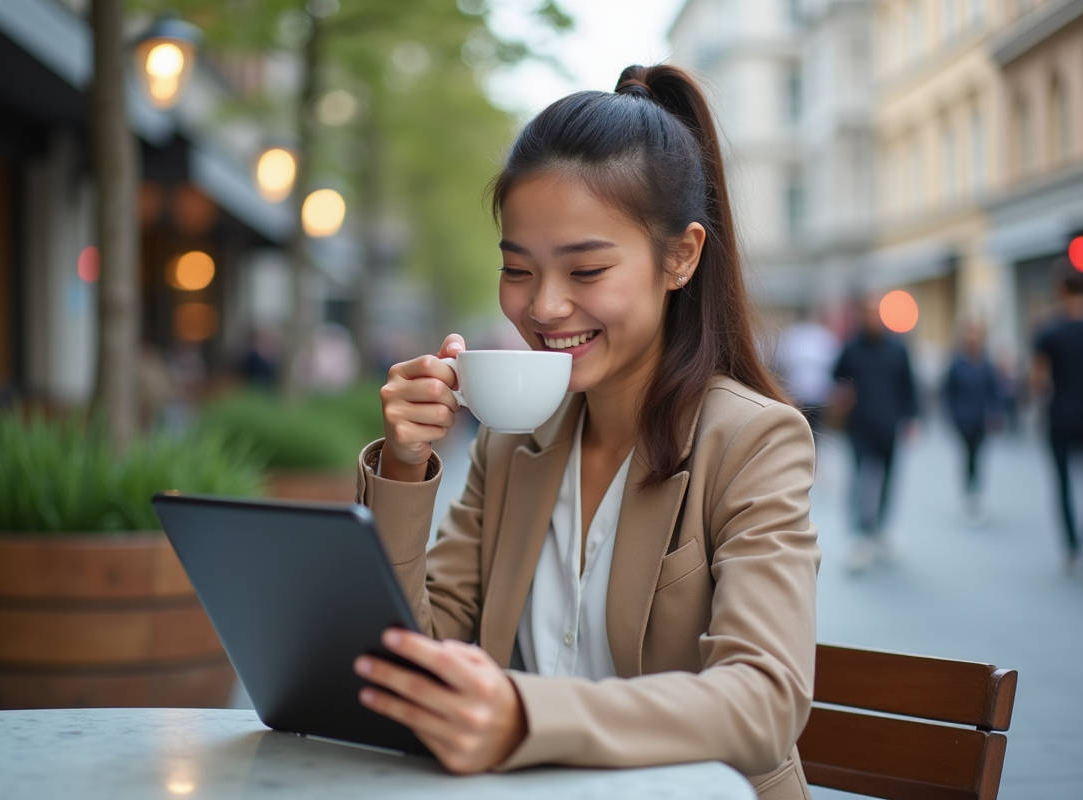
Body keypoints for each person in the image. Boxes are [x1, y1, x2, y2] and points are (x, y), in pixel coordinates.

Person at [351, 66, 820, 799]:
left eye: (587, 269)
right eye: (518, 269)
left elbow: (765, 699)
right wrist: (407, 466)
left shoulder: (753, 442)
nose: (543, 307)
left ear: (681, 257)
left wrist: (526, 716)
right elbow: (413, 654)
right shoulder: (512, 444)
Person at [832, 297, 918, 572]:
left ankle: (880, 529)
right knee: (858, 481)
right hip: (859, 427)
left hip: (889, 426)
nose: (871, 317)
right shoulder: (851, 348)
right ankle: (858, 535)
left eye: (874, 312)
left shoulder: (897, 349)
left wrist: (912, 420)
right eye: (866, 312)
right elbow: (837, 378)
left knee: (888, 480)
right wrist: (843, 394)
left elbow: (909, 387)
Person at [1031, 259, 1083, 574]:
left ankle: (1072, 550)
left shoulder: (1048, 330)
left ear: (1060, 288)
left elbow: (1037, 382)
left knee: (1063, 484)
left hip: (1060, 416)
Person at [942, 322, 1001, 526]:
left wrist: (996, 413)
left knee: (978, 456)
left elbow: (994, 391)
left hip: (981, 419)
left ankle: (977, 494)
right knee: (967, 456)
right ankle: (969, 494)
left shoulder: (986, 363)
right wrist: (953, 416)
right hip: (963, 420)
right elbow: (948, 394)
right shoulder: (957, 364)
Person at [776, 310, 841, 435]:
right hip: (810, 394)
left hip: (805, 393)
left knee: (801, 431)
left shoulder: (794, 334)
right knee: (812, 431)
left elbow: (781, 365)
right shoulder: (822, 336)